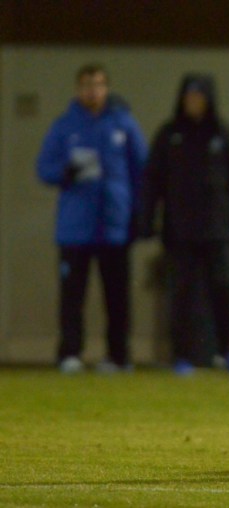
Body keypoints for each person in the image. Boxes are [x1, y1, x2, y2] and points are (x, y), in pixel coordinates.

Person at [37, 63, 147, 374]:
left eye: (98, 85)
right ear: (77, 89)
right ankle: (70, 353)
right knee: (72, 296)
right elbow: (43, 168)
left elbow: (143, 171)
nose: (92, 91)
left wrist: (139, 214)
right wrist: (65, 172)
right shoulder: (64, 125)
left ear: (107, 88)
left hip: (114, 225)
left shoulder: (123, 124)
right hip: (75, 226)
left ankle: (118, 355)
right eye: (86, 85)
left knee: (117, 295)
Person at [138, 73, 229, 376]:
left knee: (223, 291)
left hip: (217, 231)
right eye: (189, 97)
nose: (194, 103)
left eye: (199, 97)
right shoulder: (169, 136)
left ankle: (228, 352)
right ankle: (182, 357)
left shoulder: (224, 137)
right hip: (179, 232)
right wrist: (147, 221)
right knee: (182, 296)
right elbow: (152, 183)